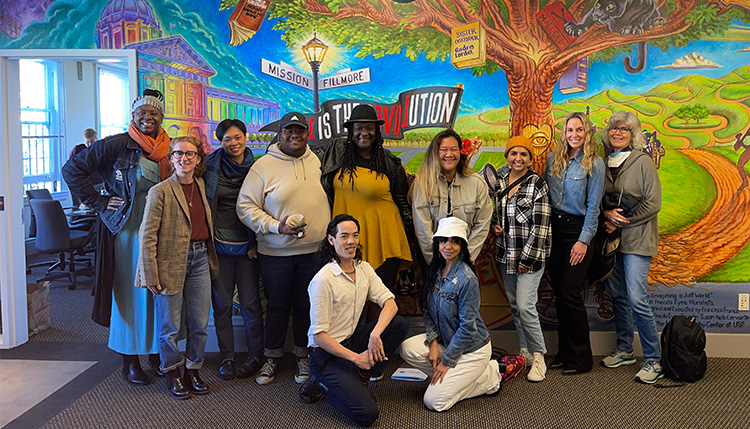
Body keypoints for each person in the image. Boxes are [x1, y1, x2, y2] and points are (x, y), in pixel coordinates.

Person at [63, 89, 171, 385]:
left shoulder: (168, 148)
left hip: (159, 230)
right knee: (129, 293)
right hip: (127, 230)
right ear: (133, 117)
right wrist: (98, 202)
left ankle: (155, 352)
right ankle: (130, 358)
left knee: (155, 293)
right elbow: (72, 170)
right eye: (142, 114)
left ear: (162, 118)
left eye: (154, 113)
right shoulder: (116, 145)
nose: (148, 118)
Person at [236, 111, 331, 386]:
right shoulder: (264, 165)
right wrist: (277, 226)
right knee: (277, 306)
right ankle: (271, 357)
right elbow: (245, 207)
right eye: (289, 130)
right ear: (280, 134)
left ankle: (303, 355)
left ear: (306, 134)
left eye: (299, 131)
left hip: (315, 252)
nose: (294, 135)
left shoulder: (318, 161)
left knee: (306, 306)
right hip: (275, 253)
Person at [302, 214, 408, 426]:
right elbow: (319, 336)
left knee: (398, 324)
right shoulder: (323, 280)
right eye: (344, 236)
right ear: (332, 240)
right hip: (326, 353)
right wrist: (355, 358)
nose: (351, 241)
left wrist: (375, 335)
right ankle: (324, 386)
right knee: (367, 414)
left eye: (355, 235)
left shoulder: (364, 269)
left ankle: (361, 375)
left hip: (351, 340)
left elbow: (391, 303)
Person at [136, 136, 219, 399]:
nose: (184, 158)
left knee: (199, 323)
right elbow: (147, 235)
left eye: (190, 154)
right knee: (169, 326)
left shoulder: (202, 185)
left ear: (198, 159)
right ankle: (172, 372)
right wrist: (150, 273)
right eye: (178, 154)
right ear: (171, 158)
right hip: (169, 263)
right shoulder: (159, 191)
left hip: (200, 260)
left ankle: (193, 370)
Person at [400, 217, 502, 412]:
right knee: (407, 348)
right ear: (437, 243)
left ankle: (488, 377)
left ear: (462, 246)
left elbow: (467, 328)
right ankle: (457, 379)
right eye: (444, 240)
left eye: (455, 241)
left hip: (473, 349)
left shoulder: (466, 279)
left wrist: (446, 362)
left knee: (434, 402)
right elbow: (428, 312)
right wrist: (432, 345)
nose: (449, 246)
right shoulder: (435, 271)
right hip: (447, 342)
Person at [316, 104, 413, 294]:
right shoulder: (336, 156)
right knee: (347, 299)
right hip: (346, 241)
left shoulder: (390, 163)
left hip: (383, 241)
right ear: (351, 131)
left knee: (377, 300)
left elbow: (403, 204)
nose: (364, 133)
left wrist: (412, 239)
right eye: (358, 127)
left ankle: (379, 325)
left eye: (369, 128)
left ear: (377, 132)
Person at [599, 110, 663, 384]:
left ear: (633, 134)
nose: (618, 133)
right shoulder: (603, 162)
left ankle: (653, 358)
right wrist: (605, 215)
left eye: (624, 129)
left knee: (637, 297)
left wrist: (621, 223)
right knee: (619, 297)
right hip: (612, 242)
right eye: (614, 128)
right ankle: (625, 348)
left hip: (637, 240)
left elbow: (653, 202)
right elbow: (597, 199)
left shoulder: (642, 161)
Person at [543, 112, 605, 374]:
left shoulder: (595, 163)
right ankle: (564, 352)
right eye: (570, 130)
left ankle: (581, 357)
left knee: (570, 291)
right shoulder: (553, 159)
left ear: (587, 132)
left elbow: (594, 207)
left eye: (579, 130)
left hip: (578, 231)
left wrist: (583, 241)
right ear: (564, 133)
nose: (574, 135)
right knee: (559, 293)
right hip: (554, 231)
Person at [203, 119, 263, 381]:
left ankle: (255, 356)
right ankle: (227, 357)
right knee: (223, 305)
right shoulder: (208, 166)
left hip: (249, 247)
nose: (233, 143)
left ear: (246, 137)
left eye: (237, 137)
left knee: (251, 305)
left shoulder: (259, 167)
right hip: (220, 247)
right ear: (220, 141)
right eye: (227, 139)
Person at [492, 135, 552, 382]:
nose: (518, 158)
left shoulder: (538, 184)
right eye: (513, 153)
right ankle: (525, 351)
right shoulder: (500, 180)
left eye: (523, 154)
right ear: (507, 156)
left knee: (527, 307)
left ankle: (539, 356)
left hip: (530, 256)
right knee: (516, 306)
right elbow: (496, 212)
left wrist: (526, 260)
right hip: (507, 253)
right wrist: (497, 226)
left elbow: (541, 227)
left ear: (530, 158)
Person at [411, 129, 492, 265]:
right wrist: (435, 263)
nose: (449, 154)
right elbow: (423, 229)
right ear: (435, 153)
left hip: (465, 262)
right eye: (444, 149)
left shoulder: (476, 183)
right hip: (432, 262)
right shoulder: (423, 183)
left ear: (460, 151)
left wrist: (466, 259)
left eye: (454, 149)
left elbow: (482, 224)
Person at [67, 128, 103, 206]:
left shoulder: (101, 150)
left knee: (96, 206)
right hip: (80, 184)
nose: (90, 144)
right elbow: (69, 166)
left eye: (92, 141)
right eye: (87, 142)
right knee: (78, 207)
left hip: (97, 183)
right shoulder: (78, 149)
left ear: (96, 139)